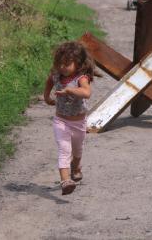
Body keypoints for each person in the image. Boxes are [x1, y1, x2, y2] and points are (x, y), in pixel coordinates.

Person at [43, 41, 94, 195]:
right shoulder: (56, 75)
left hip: (79, 122)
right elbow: (49, 82)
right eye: (60, 64)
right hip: (61, 121)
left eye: (67, 64)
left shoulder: (81, 77)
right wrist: (46, 97)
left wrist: (70, 91)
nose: (62, 67)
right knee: (64, 150)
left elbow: (87, 93)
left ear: (77, 63)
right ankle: (65, 181)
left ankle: (76, 167)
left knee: (77, 151)